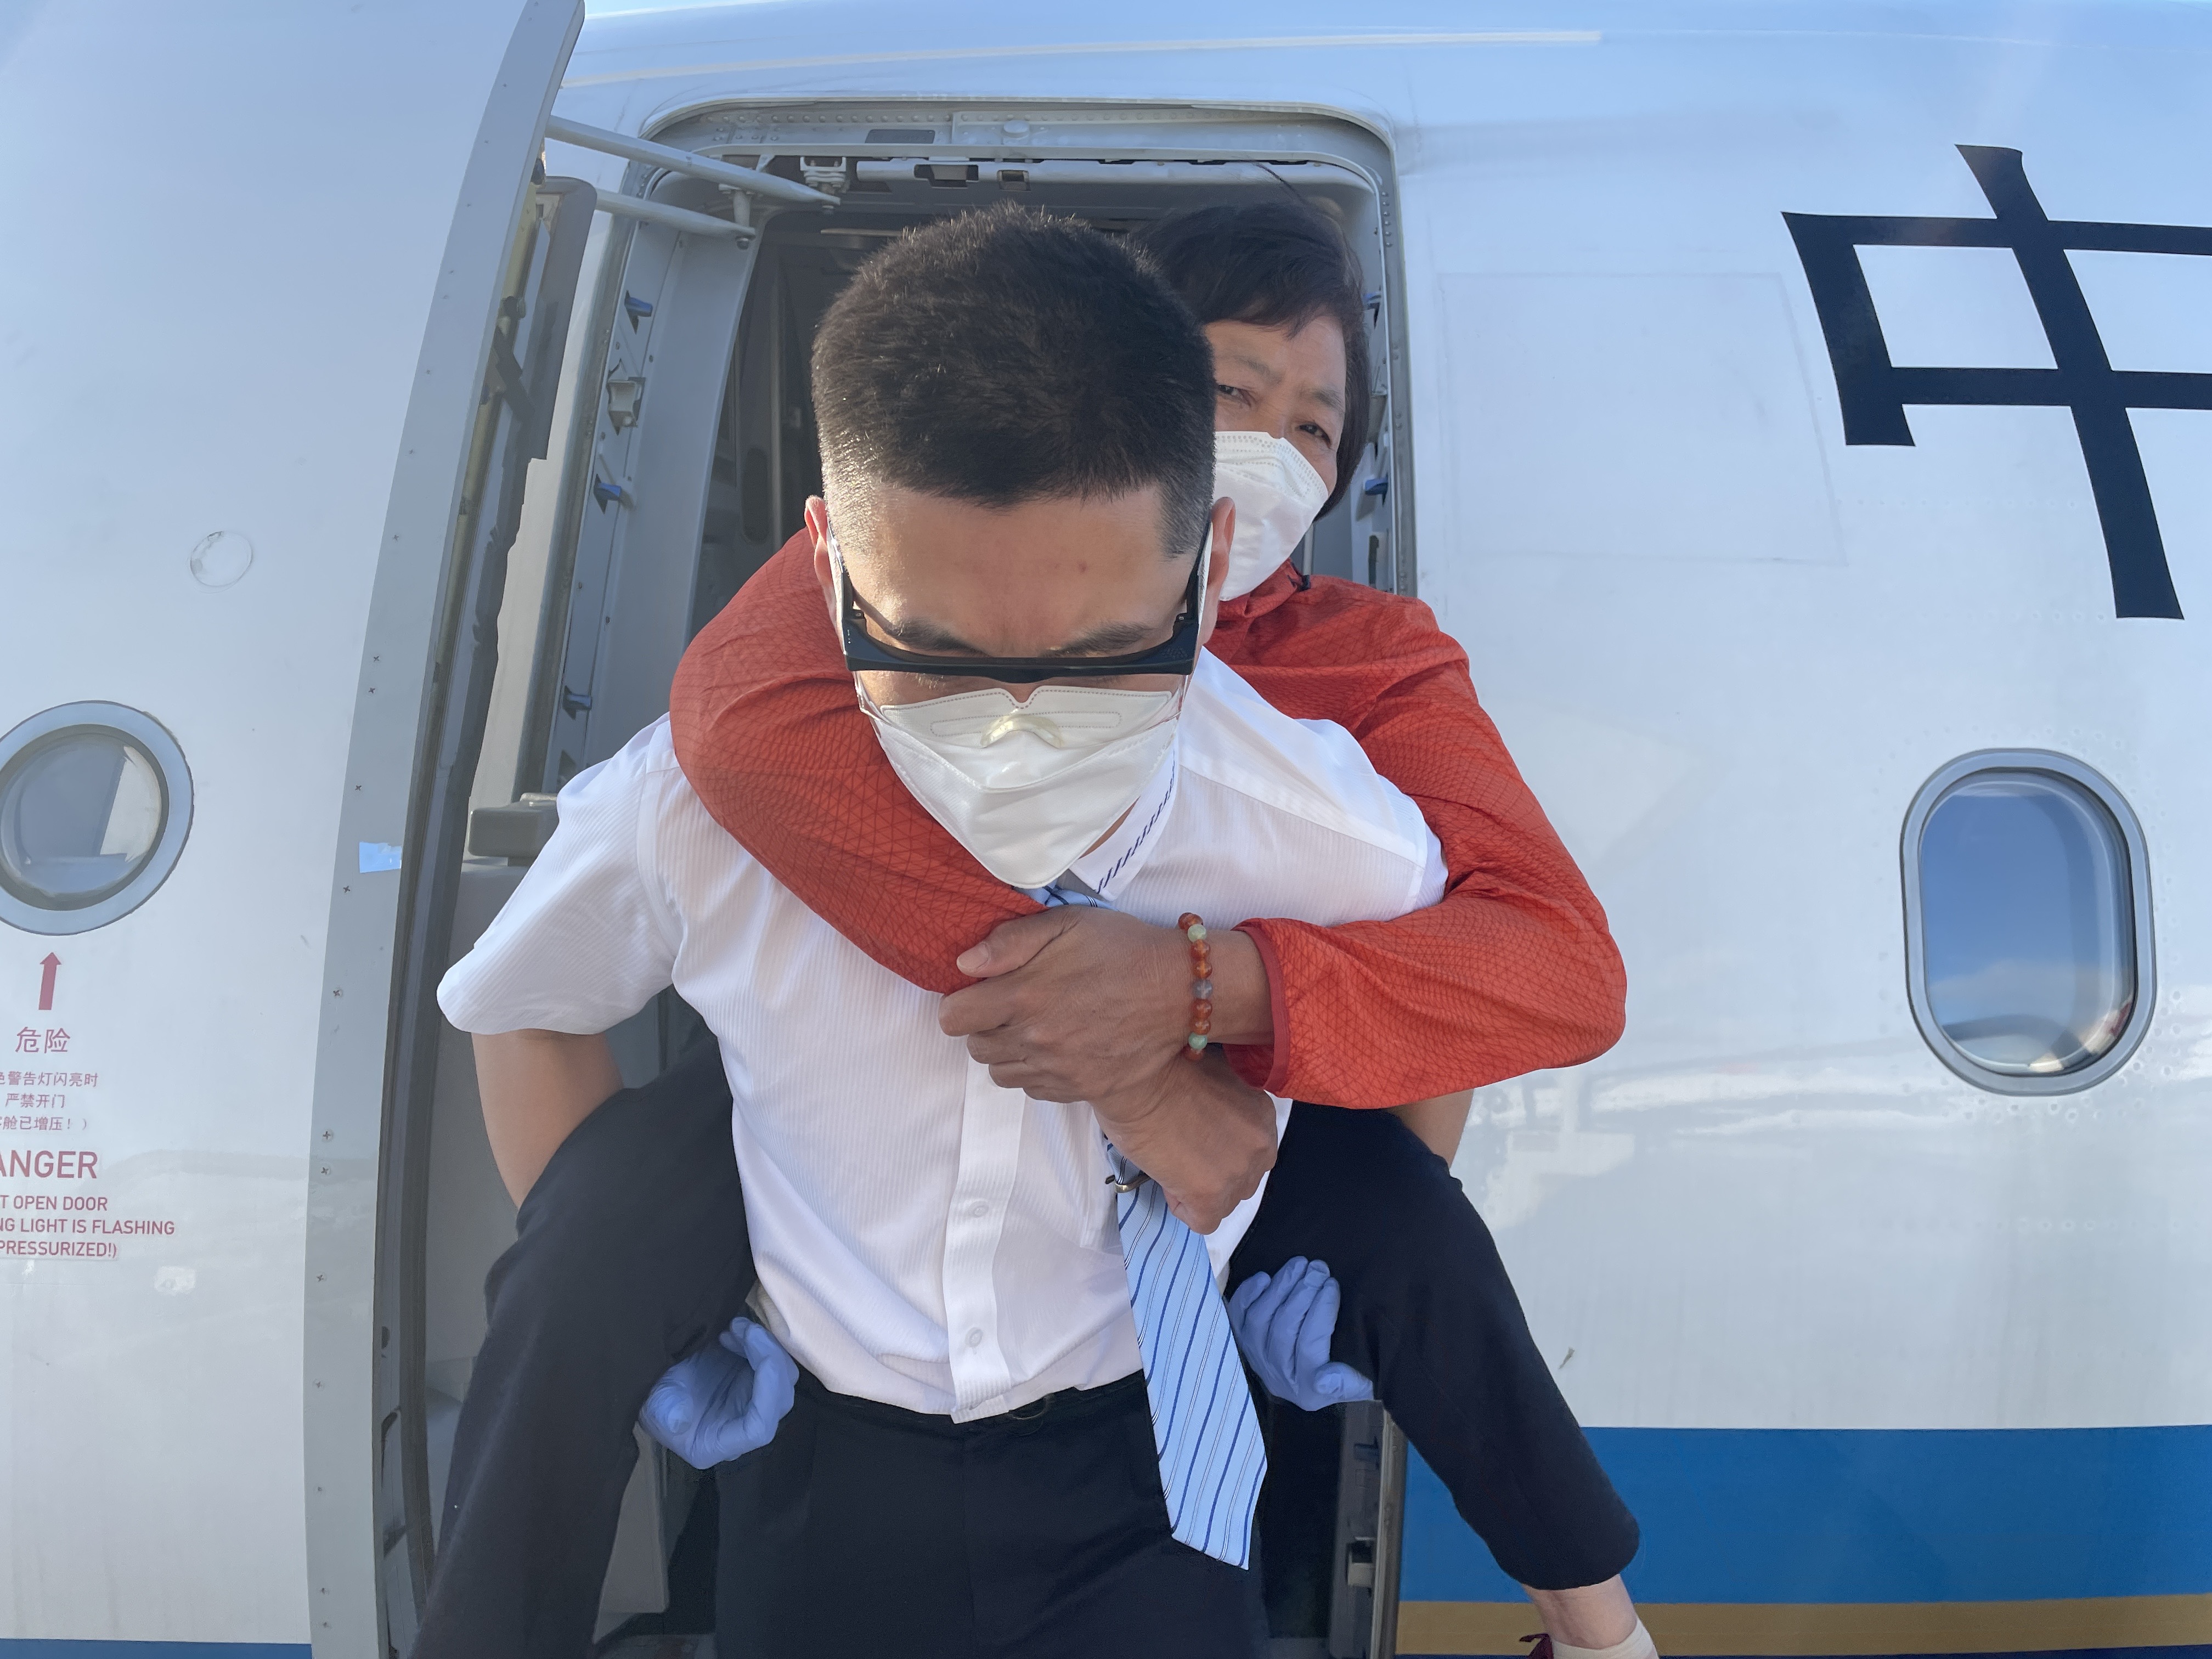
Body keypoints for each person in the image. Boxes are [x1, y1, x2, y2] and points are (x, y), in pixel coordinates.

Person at [417, 204, 1650, 1659]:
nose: (1016, 726)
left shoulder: (1322, 824)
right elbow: (528, 1003)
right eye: (936, 657)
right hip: (828, 1476)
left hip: (1153, 1454)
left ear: (1203, 570)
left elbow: (1471, 992)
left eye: (1102, 661)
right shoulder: (704, 792)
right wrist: (658, 1302)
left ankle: (1599, 1625)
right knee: (584, 1251)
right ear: (828, 571)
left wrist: (1288, 1130)